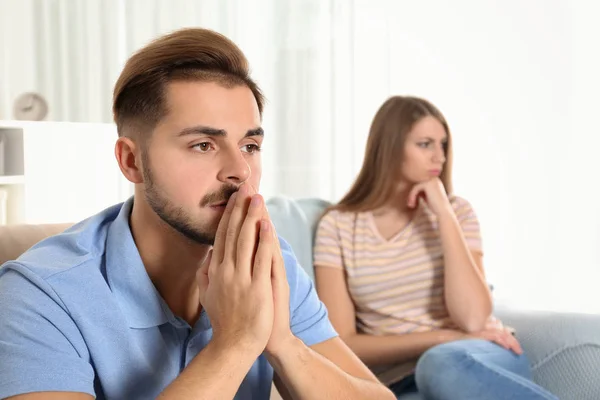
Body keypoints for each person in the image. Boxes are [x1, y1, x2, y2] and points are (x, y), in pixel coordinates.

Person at [0, 28, 395, 400]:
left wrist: (283, 344)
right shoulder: (39, 295)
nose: (239, 170)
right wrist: (236, 341)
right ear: (131, 160)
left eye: (250, 146)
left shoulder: (266, 264)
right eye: (204, 145)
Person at [313, 96, 559, 400]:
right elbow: (343, 342)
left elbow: (473, 320)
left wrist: (443, 212)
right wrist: (443, 337)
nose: (439, 157)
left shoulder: (458, 213)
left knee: (440, 364)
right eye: (425, 144)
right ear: (390, 148)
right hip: (401, 382)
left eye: (443, 145)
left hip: (477, 359)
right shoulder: (337, 226)